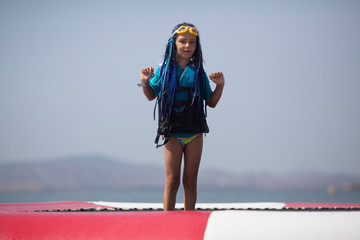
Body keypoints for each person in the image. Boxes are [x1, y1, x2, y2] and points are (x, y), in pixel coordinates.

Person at [140, 22, 225, 211]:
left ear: (197, 46)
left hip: (194, 132)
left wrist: (220, 86)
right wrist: (145, 82)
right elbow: (150, 95)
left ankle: (189, 223)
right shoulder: (163, 70)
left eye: (192, 42)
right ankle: (167, 225)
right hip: (172, 133)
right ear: (173, 44)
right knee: (172, 181)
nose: (188, 46)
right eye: (183, 41)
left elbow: (210, 102)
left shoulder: (198, 73)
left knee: (190, 181)